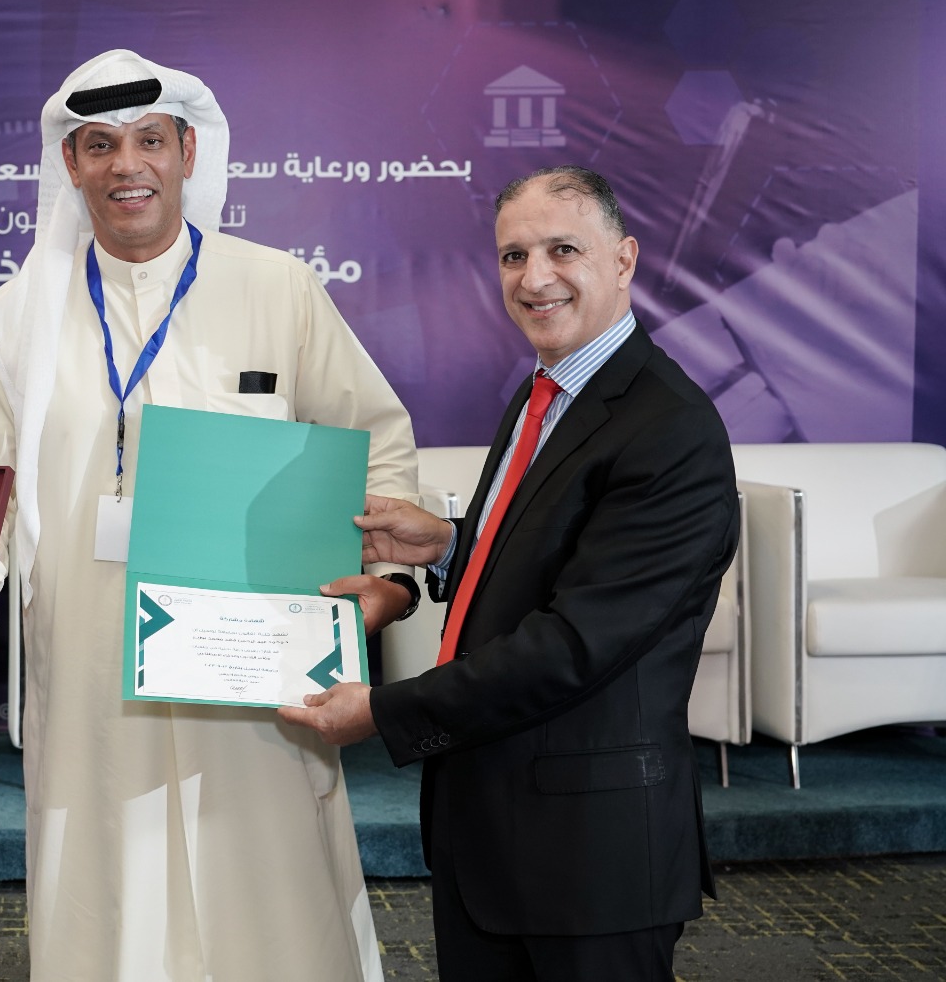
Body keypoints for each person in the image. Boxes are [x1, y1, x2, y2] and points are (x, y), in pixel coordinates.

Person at [0, 50, 419, 981]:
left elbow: (374, 445)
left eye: (150, 140)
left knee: (268, 893)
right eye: (100, 145)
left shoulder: (276, 287)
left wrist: (388, 585)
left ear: (189, 153)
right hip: (89, 674)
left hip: (253, 673)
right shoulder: (17, 315)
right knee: (105, 890)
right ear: (70, 165)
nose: (128, 165)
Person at [284, 166, 739, 981]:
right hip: (492, 836)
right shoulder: (545, 393)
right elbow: (553, 557)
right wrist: (448, 546)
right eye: (513, 256)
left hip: (590, 859)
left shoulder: (670, 430)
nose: (534, 279)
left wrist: (384, 712)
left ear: (624, 259)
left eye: (564, 250)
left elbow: (575, 643)